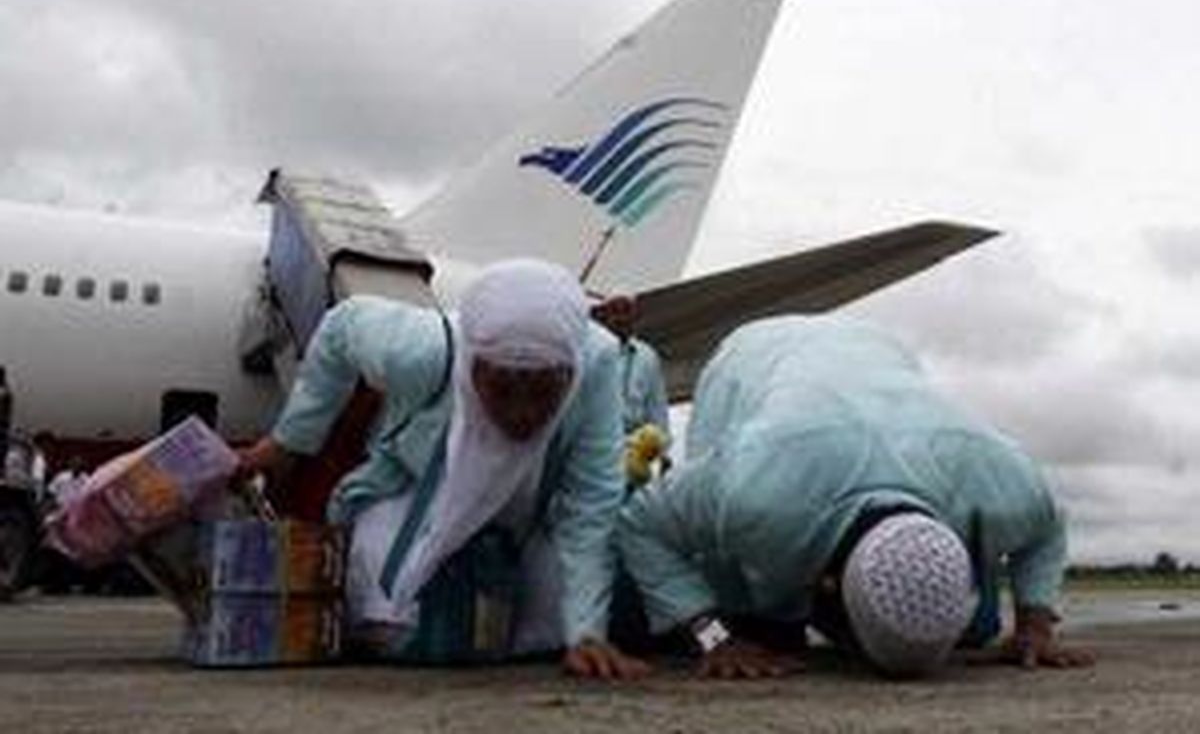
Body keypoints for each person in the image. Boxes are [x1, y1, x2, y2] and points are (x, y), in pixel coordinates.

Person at [617, 315, 1094, 678]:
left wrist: (1034, 625)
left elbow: (1048, 524)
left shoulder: (995, 481)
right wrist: (713, 636)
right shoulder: (752, 487)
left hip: (873, 346)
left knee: (975, 630)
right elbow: (644, 524)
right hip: (750, 357)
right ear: (824, 587)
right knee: (759, 621)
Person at [239, 259, 648, 679]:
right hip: (412, 497)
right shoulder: (425, 351)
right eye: (502, 390)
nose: (522, 414)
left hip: (525, 526)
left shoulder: (595, 363)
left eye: (543, 393)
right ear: (472, 366)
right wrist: (288, 442)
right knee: (390, 614)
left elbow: (591, 504)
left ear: (568, 371)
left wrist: (586, 634)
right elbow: (342, 327)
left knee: (560, 617)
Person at [590, 295, 671, 487]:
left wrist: (664, 453)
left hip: (636, 452)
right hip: (597, 447)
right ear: (604, 316)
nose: (622, 318)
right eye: (615, 311)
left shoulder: (647, 356)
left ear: (635, 317)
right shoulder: (592, 350)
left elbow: (657, 407)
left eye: (627, 312)